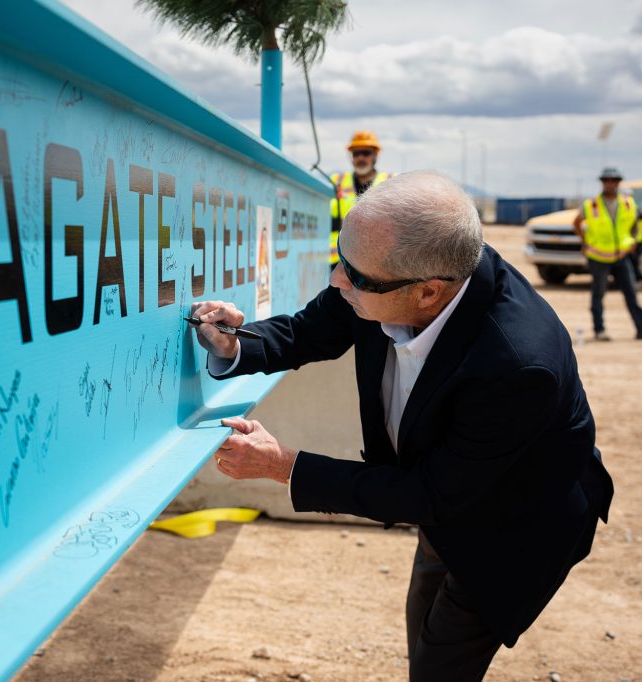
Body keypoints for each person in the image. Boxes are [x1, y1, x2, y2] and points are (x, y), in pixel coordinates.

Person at [190, 171, 613, 681]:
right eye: (340, 261)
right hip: (446, 495)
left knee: (442, 660)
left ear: (428, 294)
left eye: (354, 276)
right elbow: (312, 330)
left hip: (513, 524)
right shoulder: (384, 272)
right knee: (425, 629)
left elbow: (430, 494)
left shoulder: (519, 365)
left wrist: (284, 467)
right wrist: (236, 344)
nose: (336, 281)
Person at [572, 167, 642, 341]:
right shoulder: (591, 205)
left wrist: (633, 243)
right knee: (598, 295)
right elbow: (576, 223)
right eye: (607, 180)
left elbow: (636, 225)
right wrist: (585, 241)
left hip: (622, 256)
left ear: (618, 183)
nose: (610, 184)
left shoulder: (628, 203)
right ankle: (599, 331)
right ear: (603, 183)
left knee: (631, 294)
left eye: (614, 180)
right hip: (598, 257)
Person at [329, 130, 391, 265]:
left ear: (375, 156)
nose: (360, 158)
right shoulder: (336, 181)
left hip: (375, 261)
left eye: (366, 153)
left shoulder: (389, 182)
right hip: (338, 259)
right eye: (356, 154)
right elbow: (322, 215)